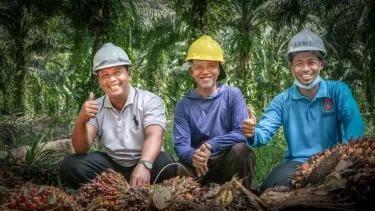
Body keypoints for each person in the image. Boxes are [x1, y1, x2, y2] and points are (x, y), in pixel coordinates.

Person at [242, 28, 365, 192]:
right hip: (297, 163)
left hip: (335, 159)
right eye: (299, 63)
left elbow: (353, 120)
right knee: (269, 190)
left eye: (311, 62)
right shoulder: (282, 100)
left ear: (321, 64)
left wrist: (347, 155)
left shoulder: (337, 91)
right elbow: (263, 133)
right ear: (292, 67)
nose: (305, 68)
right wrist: (251, 133)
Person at [59, 43, 176, 189]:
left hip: (146, 162)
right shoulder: (96, 106)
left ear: (129, 74)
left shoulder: (150, 100)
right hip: (112, 167)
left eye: (117, 72)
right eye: (105, 75)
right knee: (70, 165)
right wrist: (81, 119)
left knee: (166, 164)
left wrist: (144, 164)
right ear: (100, 81)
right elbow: (81, 149)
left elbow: (155, 135)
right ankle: (117, 190)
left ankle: (132, 185)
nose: (112, 79)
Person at [173, 35, 256, 190]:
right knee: (176, 169)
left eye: (211, 66)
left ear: (219, 69)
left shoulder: (233, 94)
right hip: (198, 165)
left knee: (242, 151)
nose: (205, 72)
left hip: (226, 161)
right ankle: (192, 201)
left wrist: (211, 145)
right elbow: (181, 145)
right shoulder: (183, 105)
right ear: (192, 71)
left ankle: (243, 197)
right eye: (199, 67)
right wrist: (193, 156)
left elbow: (240, 132)